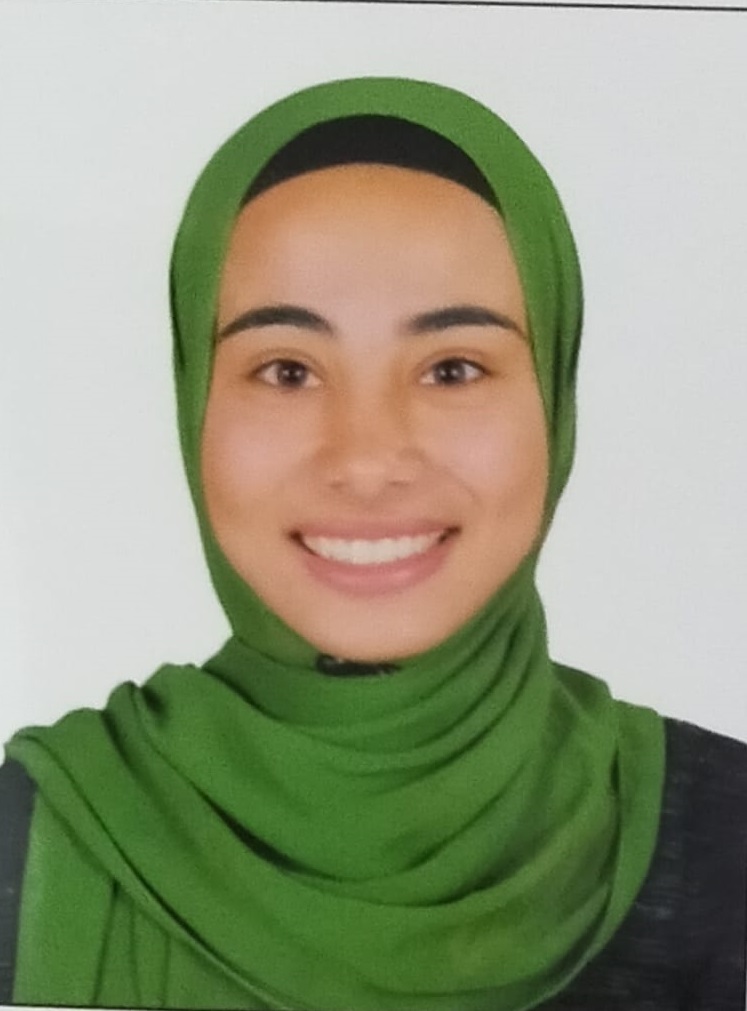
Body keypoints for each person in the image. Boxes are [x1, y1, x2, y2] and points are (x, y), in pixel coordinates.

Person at [1, 76, 746, 1010]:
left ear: (552, 400)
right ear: (195, 402)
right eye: (286, 370)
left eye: (452, 368)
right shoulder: (36, 838)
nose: (364, 460)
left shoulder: (727, 837)